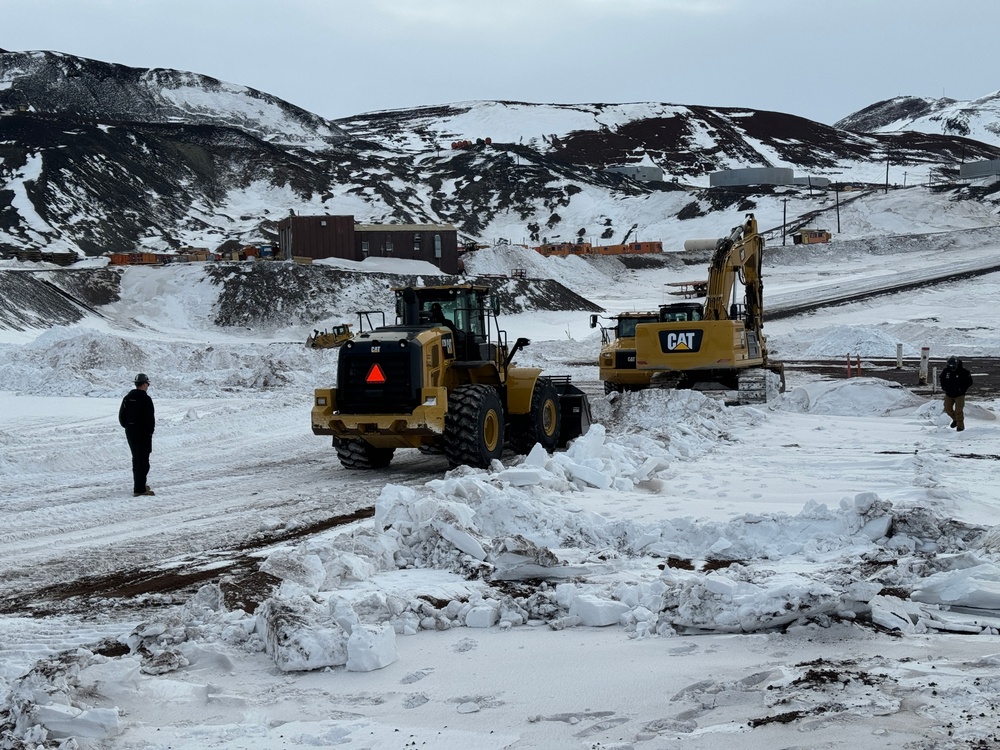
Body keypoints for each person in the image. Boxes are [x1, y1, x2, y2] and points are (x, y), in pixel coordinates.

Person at [119, 373, 156, 496]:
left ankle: (139, 484)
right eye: (147, 383)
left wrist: (130, 427)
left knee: (136, 459)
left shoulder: (127, 398)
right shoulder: (146, 399)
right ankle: (139, 489)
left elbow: (121, 418)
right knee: (143, 461)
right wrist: (149, 432)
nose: (148, 386)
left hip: (130, 432)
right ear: (144, 384)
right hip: (143, 434)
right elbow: (150, 419)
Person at [940, 356, 974, 432]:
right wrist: (944, 388)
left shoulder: (964, 372)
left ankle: (960, 427)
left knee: (958, 411)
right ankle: (955, 420)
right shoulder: (946, 371)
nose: (952, 368)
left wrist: (962, 389)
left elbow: (969, 382)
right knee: (947, 409)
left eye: (953, 366)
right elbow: (942, 379)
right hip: (949, 394)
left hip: (960, 395)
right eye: (950, 366)